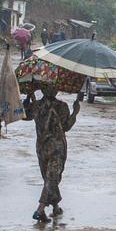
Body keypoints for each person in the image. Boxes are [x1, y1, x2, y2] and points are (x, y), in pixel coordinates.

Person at [24, 84, 80, 222]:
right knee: (51, 179)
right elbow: (66, 126)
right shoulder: (62, 106)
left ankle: (55, 207)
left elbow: (23, 116)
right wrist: (75, 112)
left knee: (49, 178)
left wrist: (26, 102)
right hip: (57, 149)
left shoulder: (36, 106)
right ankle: (40, 209)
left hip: (42, 149)